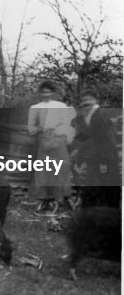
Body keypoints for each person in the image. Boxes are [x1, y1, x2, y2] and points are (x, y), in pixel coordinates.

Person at [27, 80, 75, 213]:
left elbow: (68, 123)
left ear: (53, 92)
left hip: (59, 142)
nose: (46, 94)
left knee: (61, 169)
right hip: (43, 142)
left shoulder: (61, 106)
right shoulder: (35, 108)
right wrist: (39, 129)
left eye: (49, 91)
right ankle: (45, 200)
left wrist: (63, 134)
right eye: (43, 92)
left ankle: (65, 198)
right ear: (40, 93)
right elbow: (30, 126)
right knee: (43, 171)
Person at [71, 88, 121, 208]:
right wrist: (73, 148)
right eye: (83, 100)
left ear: (95, 100)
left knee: (107, 186)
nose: (85, 103)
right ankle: (92, 210)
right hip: (93, 157)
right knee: (92, 184)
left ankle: (109, 212)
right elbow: (84, 137)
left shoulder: (102, 116)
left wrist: (105, 161)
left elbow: (108, 140)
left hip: (105, 157)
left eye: (88, 100)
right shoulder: (86, 116)